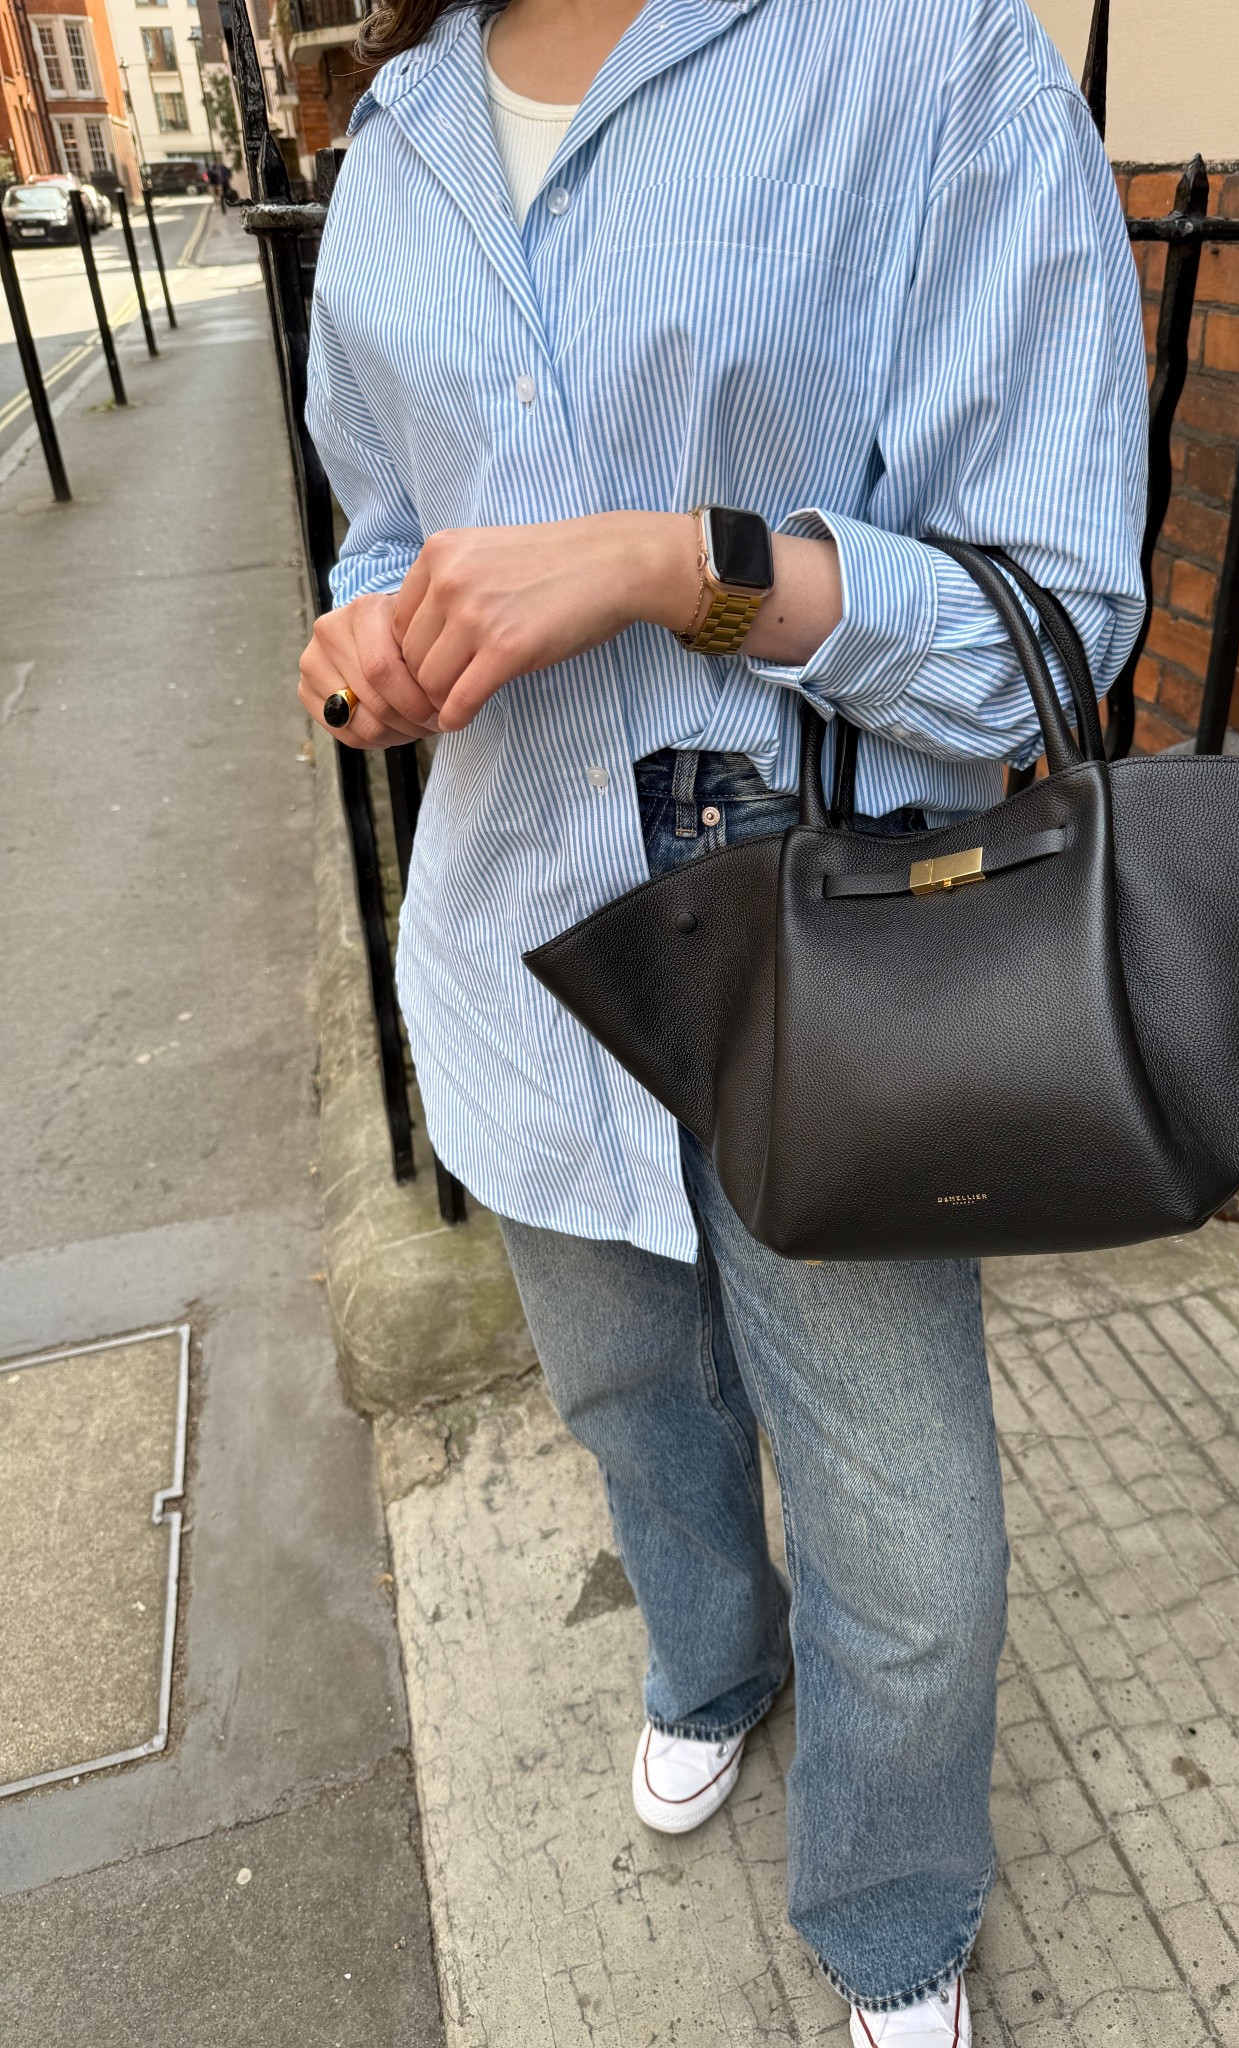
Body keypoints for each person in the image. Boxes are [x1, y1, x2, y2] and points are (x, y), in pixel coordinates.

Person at [298, 0, 1145, 2037]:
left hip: (822, 968)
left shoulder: (926, 60)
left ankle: (892, 1900)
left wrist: (689, 565)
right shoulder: (400, 129)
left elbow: (1050, 643)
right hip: (527, 953)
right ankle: (712, 1661)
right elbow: (385, 516)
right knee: (629, 1407)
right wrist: (376, 638)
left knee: (912, 1547)